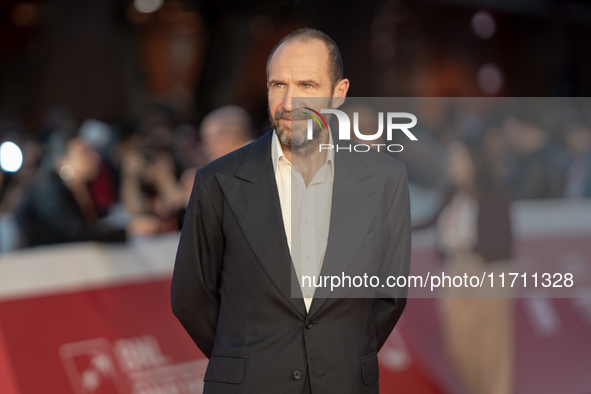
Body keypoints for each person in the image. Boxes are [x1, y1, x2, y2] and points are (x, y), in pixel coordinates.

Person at [171, 28, 411, 394]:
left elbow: (389, 295)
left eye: (307, 86)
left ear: (340, 92)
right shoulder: (217, 181)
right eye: (278, 85)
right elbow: (191, 297)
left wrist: (335, 353)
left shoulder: (384, 180)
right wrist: (245, 358)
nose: (288, 102)